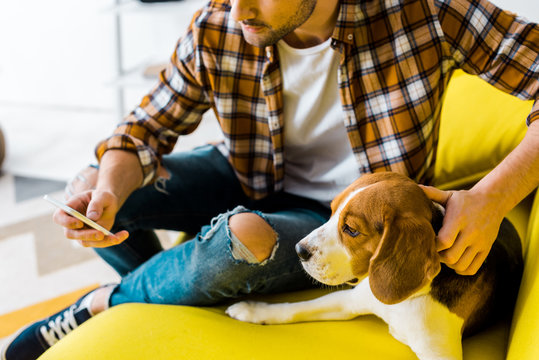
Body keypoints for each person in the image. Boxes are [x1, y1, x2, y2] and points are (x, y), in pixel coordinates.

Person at [2, 0, 538, 359]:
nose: (238, 10)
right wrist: (109, 190)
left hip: (334, 219)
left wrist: (492, 196)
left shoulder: (425, 11)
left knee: (243, 239)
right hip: (244, 173)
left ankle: (101, 303)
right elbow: (142, 131)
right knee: (96, 177)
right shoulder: (220, 23)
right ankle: (163, 285)